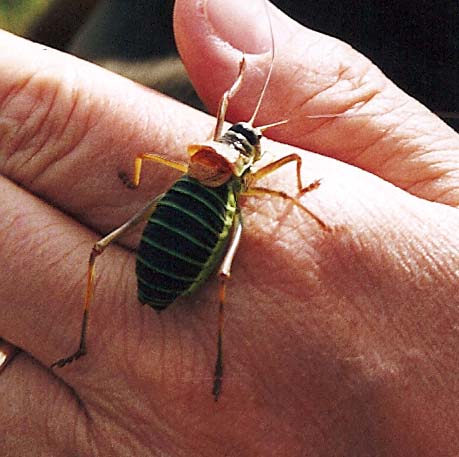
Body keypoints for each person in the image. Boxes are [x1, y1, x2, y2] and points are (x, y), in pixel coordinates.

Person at [1, 0, 458, 455]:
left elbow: (164, 148)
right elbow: (289, 164)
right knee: (137, 255)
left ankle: (201, 358)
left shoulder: (210, 148)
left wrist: (139, 179)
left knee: (114, 250)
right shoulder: (250, 171)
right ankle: (114, 346)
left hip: (189, 205)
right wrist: (303, 197)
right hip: (204, 208)